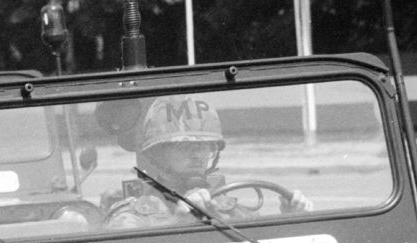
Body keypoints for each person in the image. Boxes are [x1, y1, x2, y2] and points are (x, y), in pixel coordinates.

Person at [102, 95, 312, 229]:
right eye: (183, 146)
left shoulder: (230, 211)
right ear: (158, 155)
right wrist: (179, 222)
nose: (197, 154)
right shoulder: (131, 217)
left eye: (204, 145)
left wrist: (294, 221)